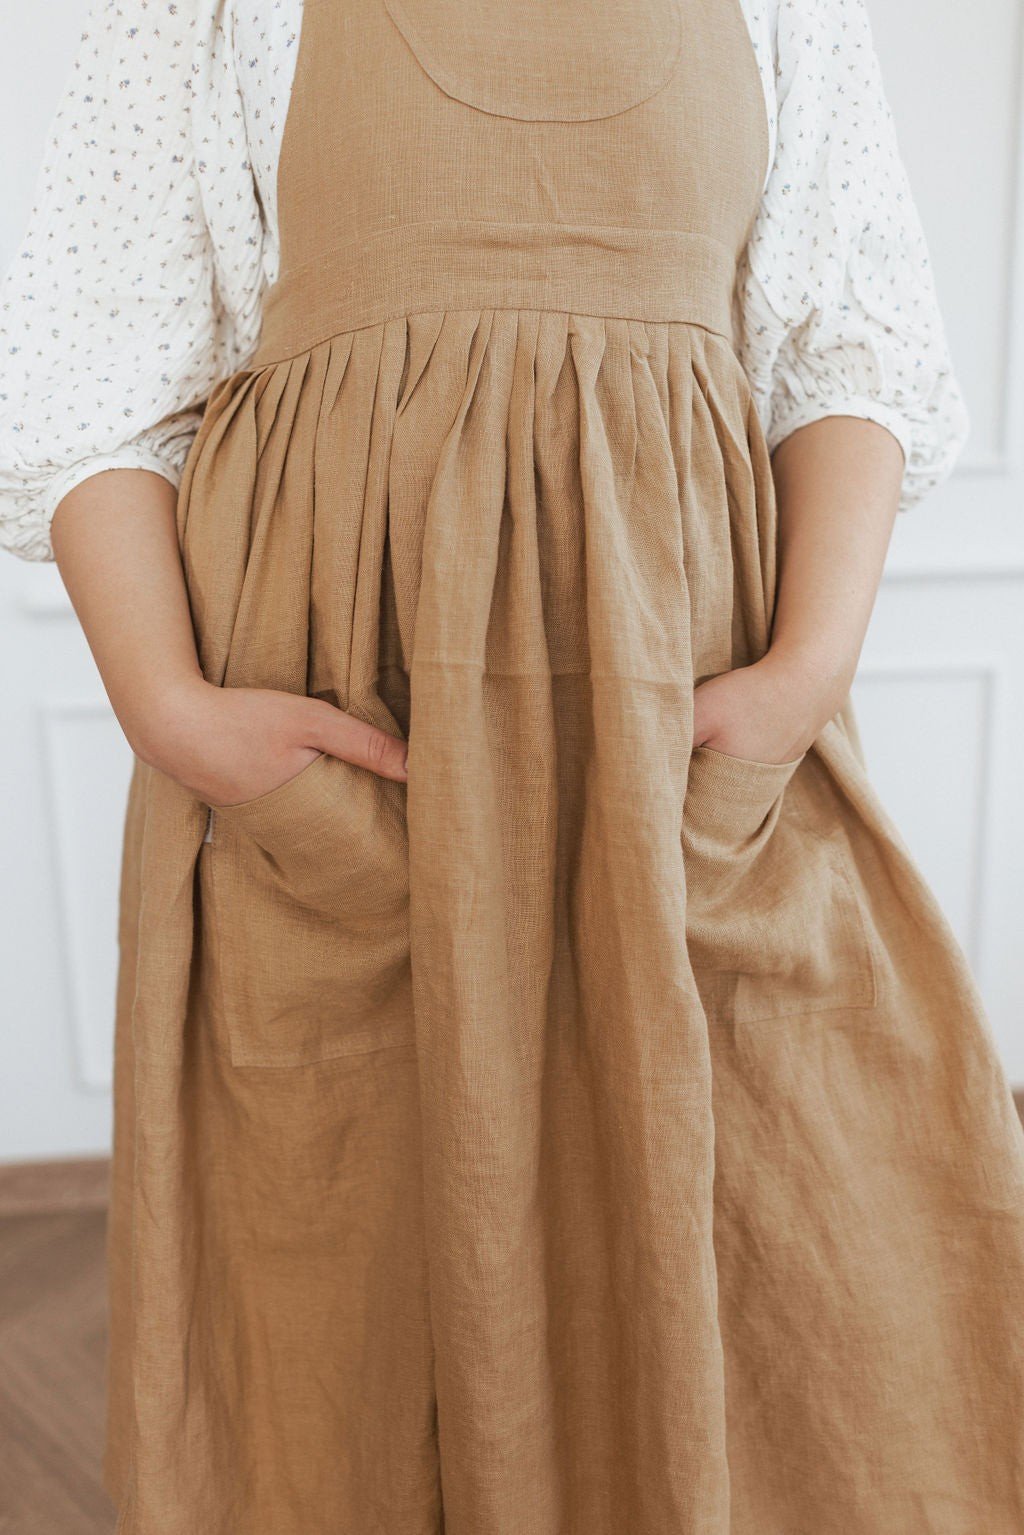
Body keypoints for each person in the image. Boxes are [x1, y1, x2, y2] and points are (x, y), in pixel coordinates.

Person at [2, 0, 1023, 1530]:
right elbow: (89, 366)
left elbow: (850, 347)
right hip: (344, 730)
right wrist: (170, 709)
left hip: (687, 742)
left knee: (785, 1247)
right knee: (346, 1290)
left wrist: (803, 678)